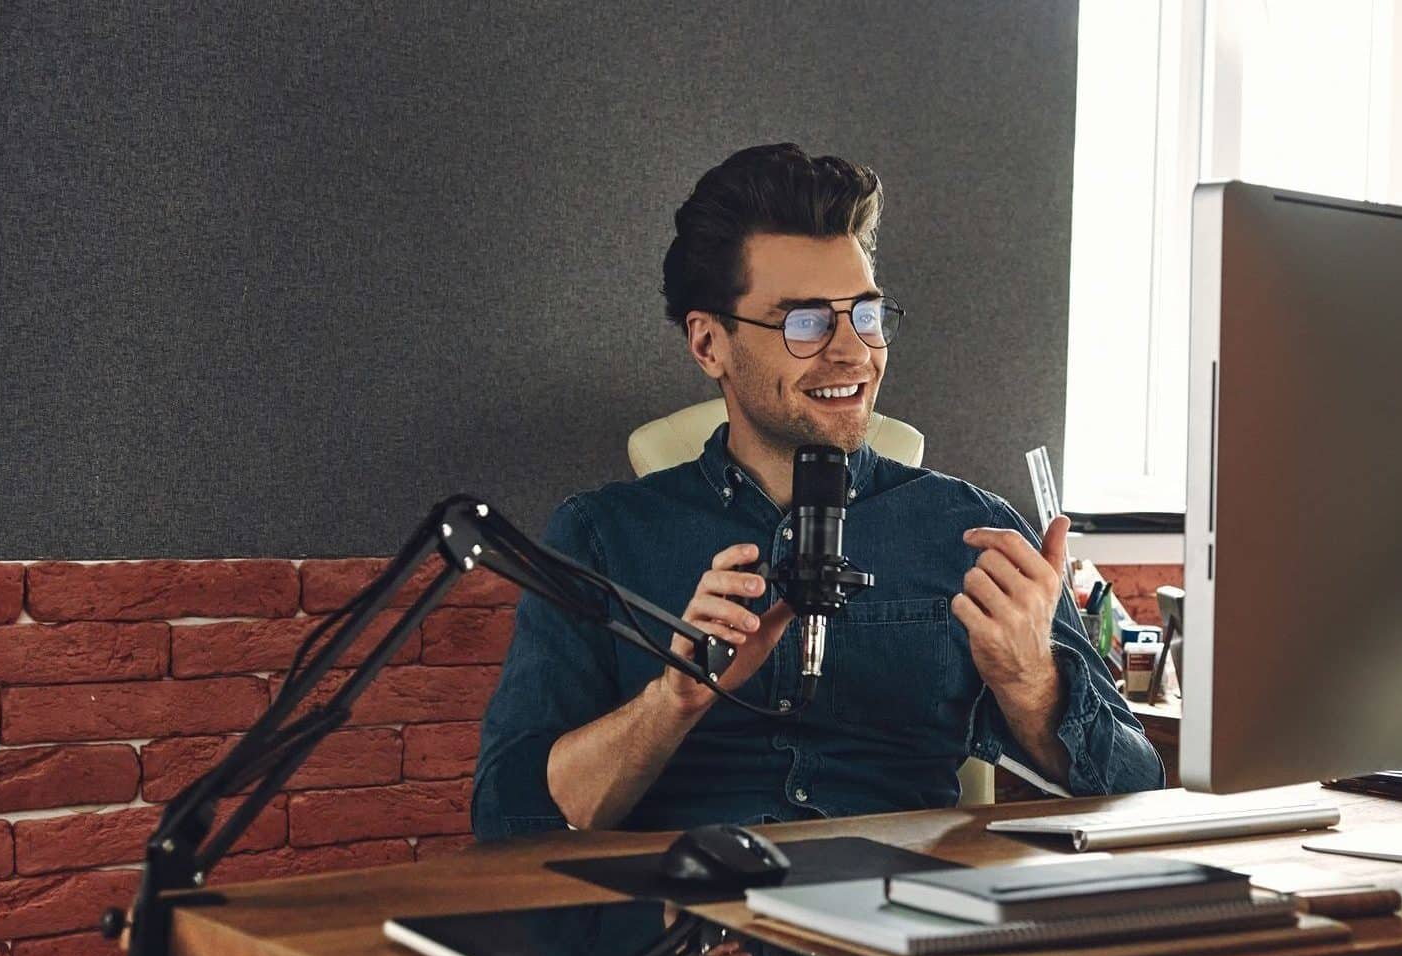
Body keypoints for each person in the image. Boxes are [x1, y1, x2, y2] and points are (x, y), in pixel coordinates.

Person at [472, 143, 1162, 839]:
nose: (852, 351)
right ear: (709, 344)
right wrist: (675, 698)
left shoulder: (971, 532)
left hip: (900, 921)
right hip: (686, 927)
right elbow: (510, 819)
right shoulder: (600, 539)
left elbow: (1140, 794)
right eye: (805, 322)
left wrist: (1033, 685)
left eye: (865, 314)